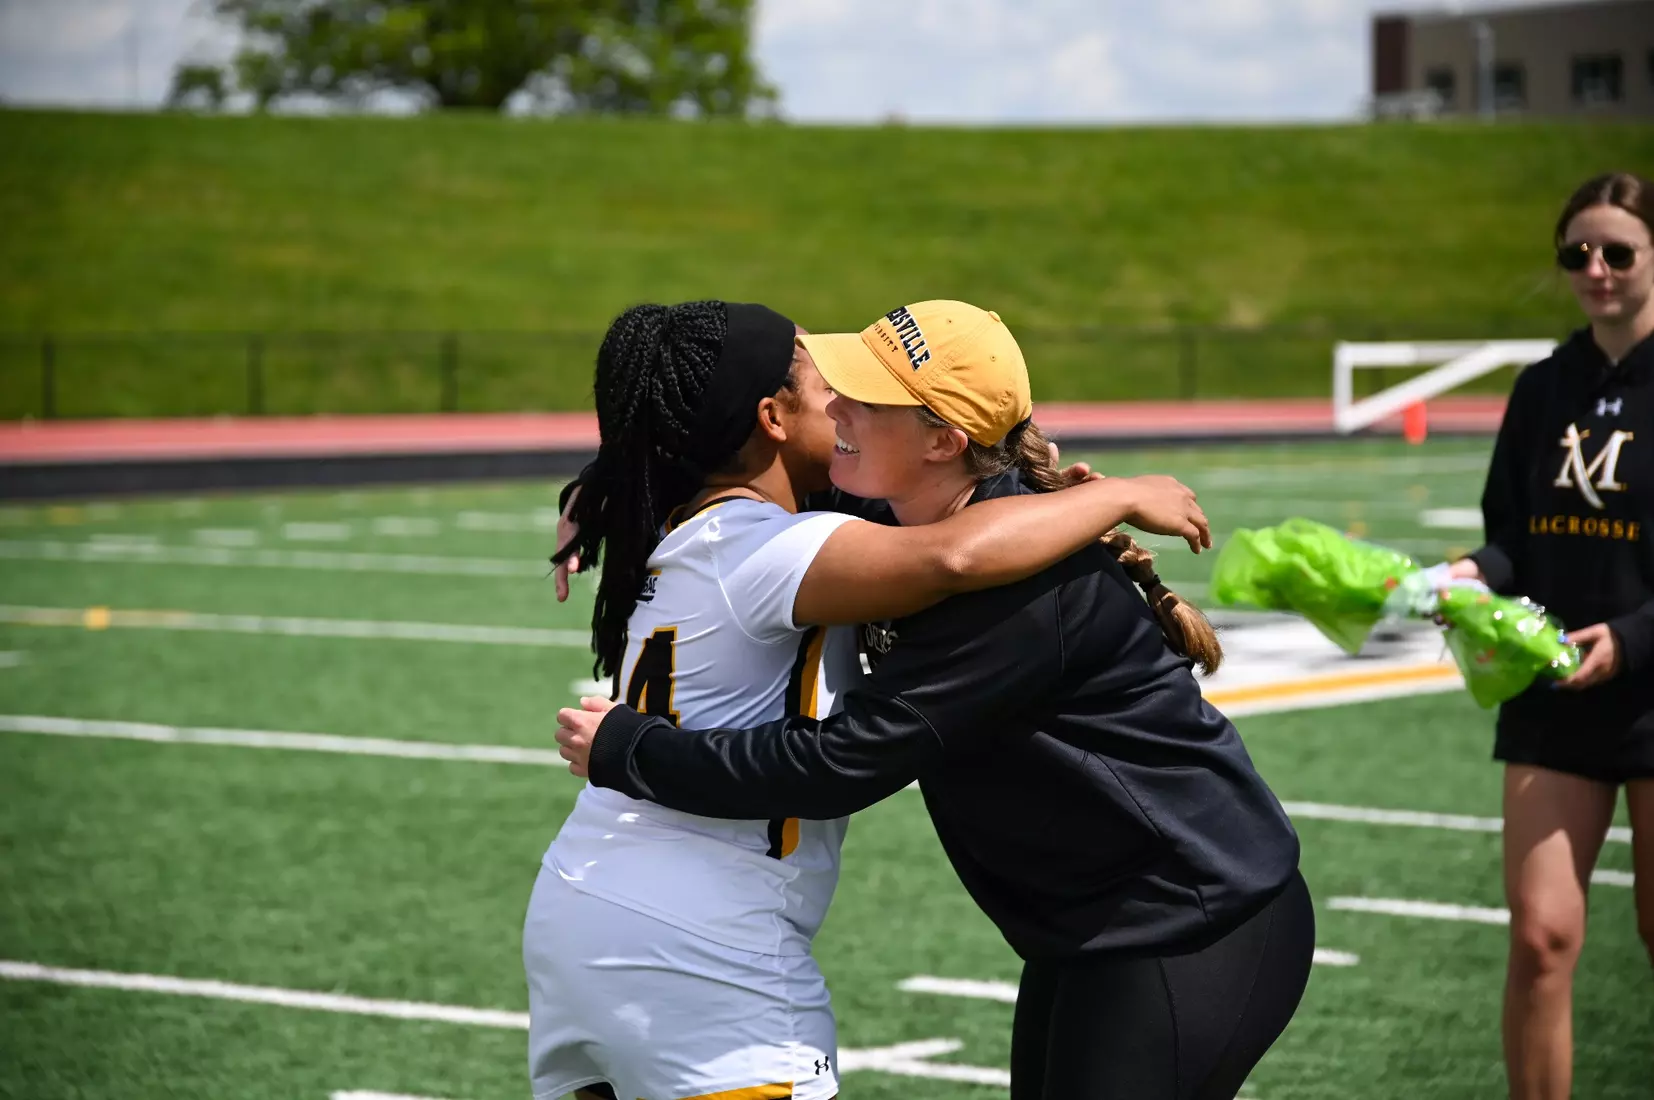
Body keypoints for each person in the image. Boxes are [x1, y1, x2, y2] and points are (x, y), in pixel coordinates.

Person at [557, 300, 1314, 1100]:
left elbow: (840, 763)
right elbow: (740, 464)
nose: (834, 409)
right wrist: (608, 491)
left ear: (943, 441)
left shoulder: (1024, 589)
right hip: (1094, 923)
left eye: (866, 401)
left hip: (1191, 915)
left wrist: (631, 750)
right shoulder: (897, 501)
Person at [1443, 171, 1654, 1100]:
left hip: (1652, 688)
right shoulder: (1544, 388)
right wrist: (1471, 575)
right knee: (1540, 938)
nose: (1596, 269)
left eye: (1618, 252)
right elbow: (1510, 540)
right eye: (1577, 254)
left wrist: (1637, 639)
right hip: (1552, 688)